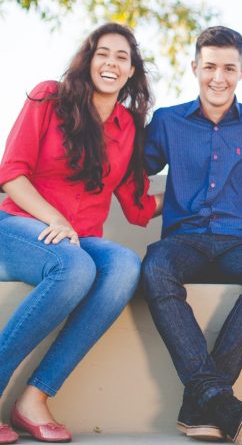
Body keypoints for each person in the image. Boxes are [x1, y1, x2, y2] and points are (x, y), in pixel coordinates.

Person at [0, 23, 160, 445]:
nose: (111, 62)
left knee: (125, 266)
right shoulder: (49, 97)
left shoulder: (128, 127)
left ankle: (34, 398)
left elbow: (137, 204)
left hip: (79, 238)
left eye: (121, 57)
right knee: (73, 269)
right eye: (102, 53)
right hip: (19, 224)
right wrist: (54, 219)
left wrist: (204, 194)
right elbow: (11, 174)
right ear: (89, 60)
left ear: (131, 72)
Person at [140, 26, 242, 445]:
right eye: (209, 67)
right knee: (154, 267)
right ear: (195, 68)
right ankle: (219, 399)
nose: (218, 78)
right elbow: (130, 169)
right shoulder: (168, 121)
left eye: (229, 68)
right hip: (182, 240)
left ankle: (204, 400)